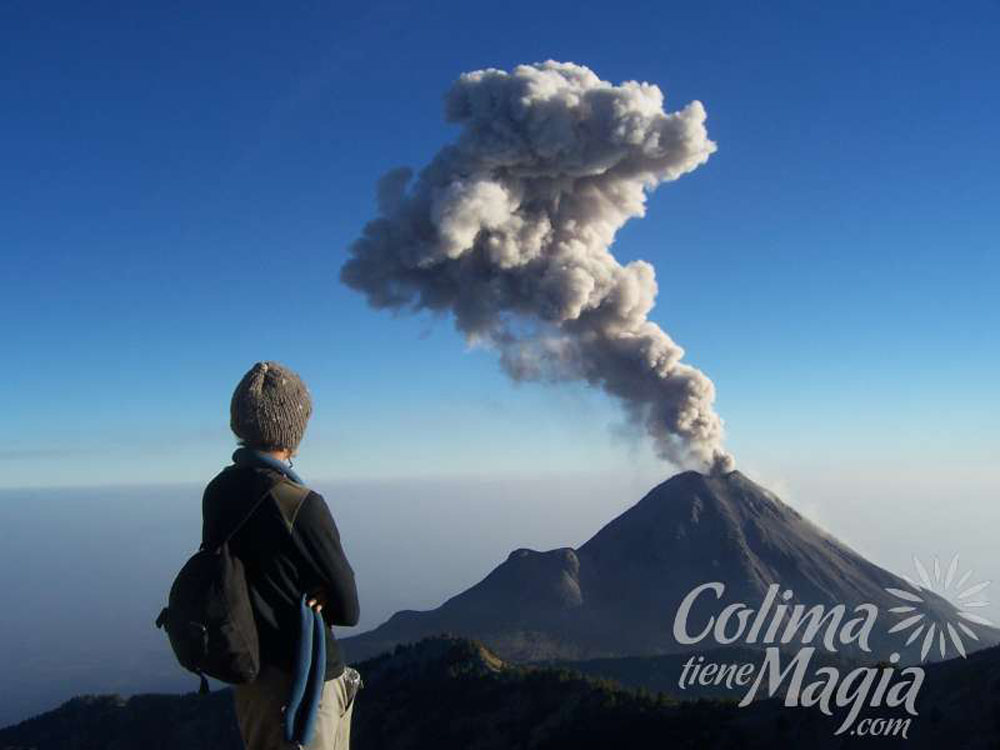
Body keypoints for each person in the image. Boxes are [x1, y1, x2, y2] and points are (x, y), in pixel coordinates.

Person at [201, 360, 361, 749]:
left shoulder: (218, 491)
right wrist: (321, 592)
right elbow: (348, 609)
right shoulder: (300, 504)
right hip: (306, 686)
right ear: (295, 427)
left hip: (253, 681)